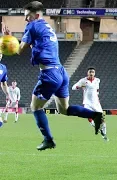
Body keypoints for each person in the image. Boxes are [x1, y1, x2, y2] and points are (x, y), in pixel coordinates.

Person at [1, 1, 104, 151]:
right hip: (61, 72)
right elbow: (36, 44)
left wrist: (8, 40)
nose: (25, 20)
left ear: (36, 15)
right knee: (64, 109)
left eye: (27, 16)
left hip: (49, 74)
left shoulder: (32, 25)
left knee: (35, 107)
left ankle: (48, 139)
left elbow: (18, 50)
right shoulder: (47, 27)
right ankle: (95, 116)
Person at [72, 67, 108, 141]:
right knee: (89, 117)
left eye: (92, 72)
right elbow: (73, 88)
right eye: (90, 72)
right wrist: (79, 86)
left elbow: (97, 90)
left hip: (96, 103)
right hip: (87, 103)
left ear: (94, 73)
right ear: (87, 73)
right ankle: (95, 126)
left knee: (103, 121)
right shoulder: (83, 81)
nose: (91, 73)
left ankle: (104, 135)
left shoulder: (97, 80)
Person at [0, 53, 10, 127]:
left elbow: (4, 83)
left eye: (1, 54)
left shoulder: (3, 68)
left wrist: (8, 94)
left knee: (0, 122)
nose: (0, 55)